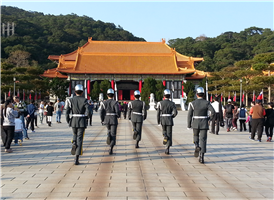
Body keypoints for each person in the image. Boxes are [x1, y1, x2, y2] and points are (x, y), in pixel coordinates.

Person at [187, 87, 215, 164]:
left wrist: (189, 125)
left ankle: (196, 145)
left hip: (195, 122)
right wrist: (209, 118)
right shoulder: (207, 103)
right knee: (203, 139)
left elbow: (189, 115)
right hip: (204, 123)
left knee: (195, 136)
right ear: (203, 94)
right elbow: (213, 112)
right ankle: (201, 157)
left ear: (196, 94)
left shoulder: (192, 103)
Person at [65, 84, 91, 165]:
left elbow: (67, 112)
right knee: (80, 138)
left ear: (75, 91)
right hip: (82, 120)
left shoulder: (70, 100)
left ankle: (74, 142)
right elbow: (88, 111)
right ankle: (76, 158)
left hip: (73, 119)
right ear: (82, 92)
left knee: (74, 134)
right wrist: (87, 117)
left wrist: (68, 120)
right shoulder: (85, 100)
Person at [156, 89, 177, 155]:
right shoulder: (172, 103)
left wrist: (158, 121)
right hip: (169, 119)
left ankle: (164, 135)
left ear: (164, 96)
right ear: (169, 96)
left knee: (164, 130)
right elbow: (176, 112)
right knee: (169, 134)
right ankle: (167, 148)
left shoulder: (160, 103)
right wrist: (172, 116)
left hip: (163, 119)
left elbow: (158, 113)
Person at [99, 88, 120, 155]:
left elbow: (101, 111)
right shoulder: (115, 102)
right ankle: (111, 148)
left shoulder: (104, 102)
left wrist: (102, 119)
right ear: (113, 95)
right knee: (113, 134)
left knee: (109, 130)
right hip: (113, 119)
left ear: (107, 95)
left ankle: (108, 134)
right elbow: (117, 111)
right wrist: (118, 116)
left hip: (106, 119)